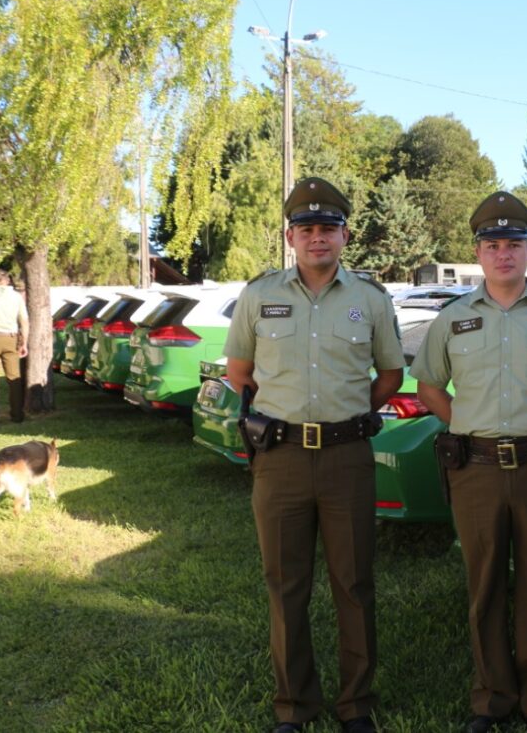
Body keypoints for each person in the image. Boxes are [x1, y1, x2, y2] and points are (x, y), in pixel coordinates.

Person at [224, 177, 404, 733]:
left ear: (344, 235)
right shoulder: (259, 295)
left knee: (354, 583)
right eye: (307, 229)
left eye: (328, 228)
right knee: (285, 583)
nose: (318, 238)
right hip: (279, 459)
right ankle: (294, 707)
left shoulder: (370, 299)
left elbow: (391, 374)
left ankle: (356, 706)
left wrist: (348, 411)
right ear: (290, 236)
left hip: (347, 456)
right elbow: (239, 373)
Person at [411, 191, 527, 733]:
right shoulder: (454, 318)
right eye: (492, 244)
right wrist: (465, 421)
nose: (503, 253)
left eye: (513, 243)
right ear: (479, 252)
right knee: (484, 585)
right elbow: (427, 386)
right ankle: (491, 697)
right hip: (477, 469)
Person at [0, 268, 30, 424]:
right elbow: (24, 321)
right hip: (11, 339)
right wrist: (25, 343)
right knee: (13, 378)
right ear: (7, 280)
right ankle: (17, 415)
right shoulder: (16, 297)